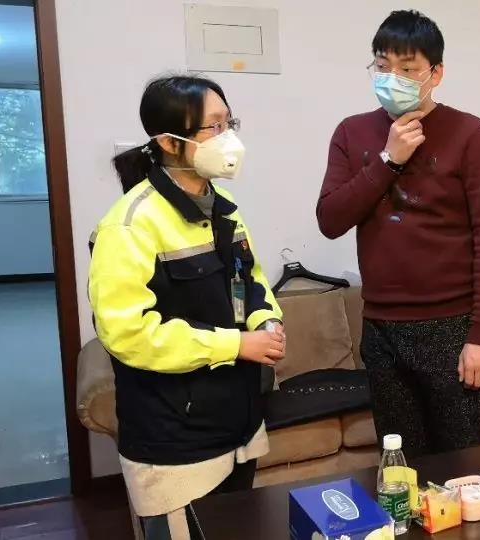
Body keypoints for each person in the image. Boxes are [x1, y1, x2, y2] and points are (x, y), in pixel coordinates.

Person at [89, 75, 285, 539]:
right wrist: (236, 345)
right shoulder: (129, 225)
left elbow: (251, 278)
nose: (227, 137)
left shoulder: (224, 206)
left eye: (229, 123)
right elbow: (128, 334)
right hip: (174, 443)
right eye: (213, 127)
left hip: (238, 426)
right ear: (168, 141)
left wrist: (266, 320)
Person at [317, 10, 480, 458]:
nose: (393, 78)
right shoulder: (352, 132)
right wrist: (388, 160)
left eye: (407, 69)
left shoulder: (469, 133)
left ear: (435, 74)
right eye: (383, 66)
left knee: (466, 465)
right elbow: (330, 220)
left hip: (451, 326)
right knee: (401, 466)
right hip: (381, 327)